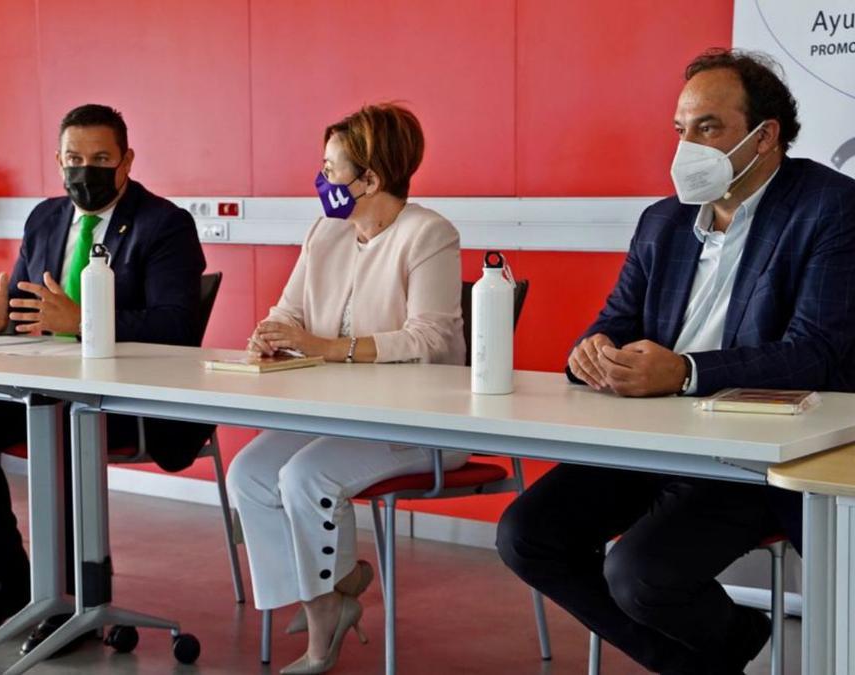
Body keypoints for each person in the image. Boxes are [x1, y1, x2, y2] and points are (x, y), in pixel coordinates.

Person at [496, 49, 855, 674]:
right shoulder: (662, 221)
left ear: (765, 136)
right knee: (527, 534)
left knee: (638, 573)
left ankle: (721, 642)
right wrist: (594, 349)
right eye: (680, 129)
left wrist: (688, 371)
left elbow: (816, 354)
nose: (687, 145)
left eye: (708, 127)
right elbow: (616, 318)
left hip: (753, 453)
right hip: (654, 441)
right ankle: (709, 656)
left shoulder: (830, 209)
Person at [0, 104, 214, 654]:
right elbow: (30, 307)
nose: (87, 170)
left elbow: (176, 326)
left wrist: (81, 321)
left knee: (58, 429)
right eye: (74, 159)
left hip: (126, 399)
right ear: (59, 163)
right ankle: (11, 581)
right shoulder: (46, 218)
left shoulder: (165, 224)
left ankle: (71, 600)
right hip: (45, 384)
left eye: (101, 158)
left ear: (127, 161)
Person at [226, 103, 466, 675]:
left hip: (425, 422)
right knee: (250, 474)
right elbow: (290, 311)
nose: (322, 179)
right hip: (344, 416)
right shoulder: (326, 232)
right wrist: (272, 336)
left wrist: (329, 347)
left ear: (372, 179)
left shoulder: (429, 233)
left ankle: (322, 624)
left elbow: (430, 337)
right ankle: (328, 592)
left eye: (331, 168)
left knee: (306, 476)